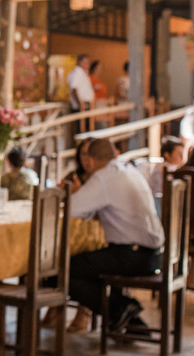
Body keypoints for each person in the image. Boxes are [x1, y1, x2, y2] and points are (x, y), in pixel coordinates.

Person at [67, 138, 166, 334]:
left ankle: (120, 308)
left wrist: (76, 193)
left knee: (66, 271)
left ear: (92, 161)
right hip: (155, 254)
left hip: (133, 255)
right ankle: (132, 321)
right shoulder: (130, 170)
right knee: (88, 266)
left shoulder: (103, 177)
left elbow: (72, 209)